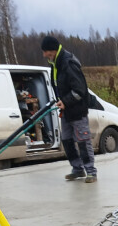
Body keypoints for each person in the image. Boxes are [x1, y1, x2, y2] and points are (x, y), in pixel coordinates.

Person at [41, 35, 97, 183]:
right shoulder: (55, 63)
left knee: (83, 141)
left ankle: (91, 172)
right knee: (66, 140)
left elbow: (80, 90)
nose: (44, 55)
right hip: (66, 110)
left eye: (45, 51)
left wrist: (65, 101)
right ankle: (77, 169)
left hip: (77, 110)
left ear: (52, 50)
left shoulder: (68, 63)